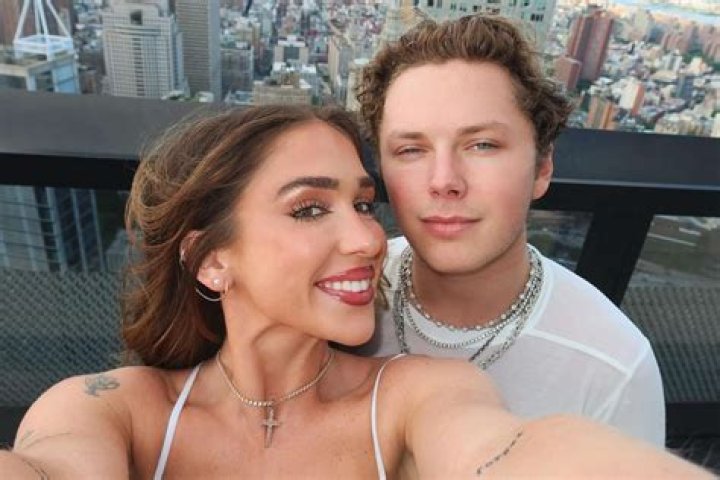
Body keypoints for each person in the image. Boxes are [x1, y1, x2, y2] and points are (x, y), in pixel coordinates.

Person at [0, 105, 708, 479]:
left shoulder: (415, 397)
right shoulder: (116, 411)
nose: (369, 239)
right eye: (310, 208)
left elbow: (502, 453)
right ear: (210, 260)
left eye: (364, 204)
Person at [355, 14, 666, 446]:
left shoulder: (611, 367)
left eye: (482, 145)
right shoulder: (338, 293)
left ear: (542, 167)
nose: (444, 180)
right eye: (410, 149)